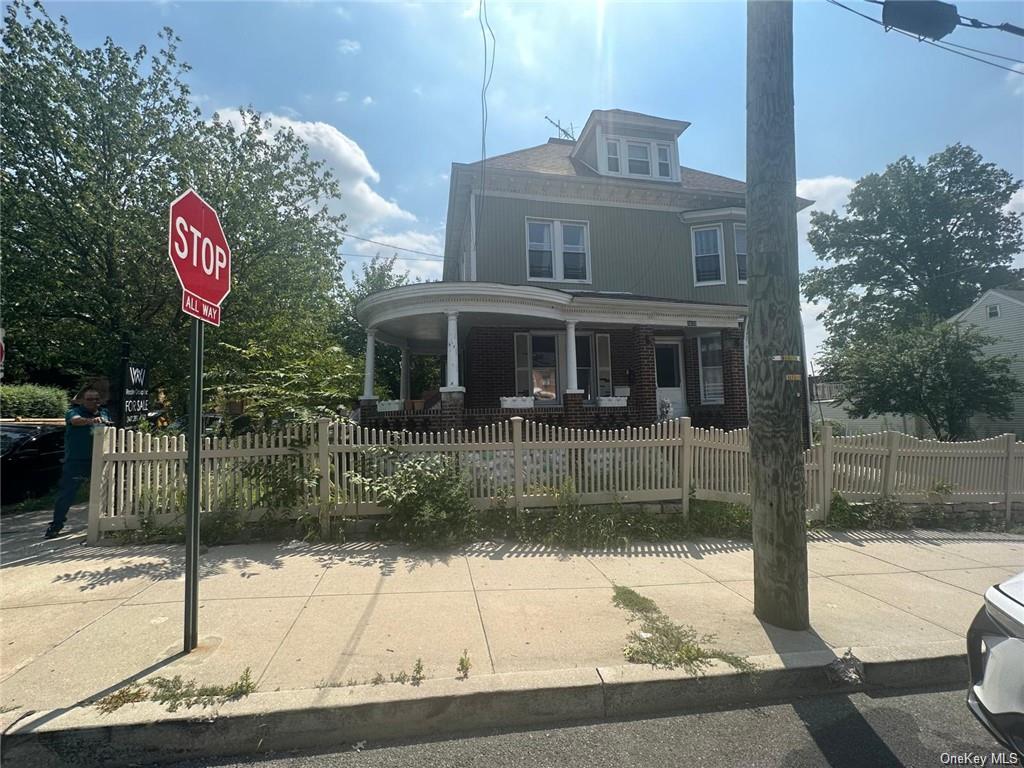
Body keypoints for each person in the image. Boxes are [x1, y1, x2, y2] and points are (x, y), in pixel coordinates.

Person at [45, 388, 109, 539]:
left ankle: (104, 523)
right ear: (82, 400)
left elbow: (108, 423)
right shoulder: (73, 412)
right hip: (76, 461)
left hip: (99, 459)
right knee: (67, 493)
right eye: (89, 399)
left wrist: (100, 419)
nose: (93, 402)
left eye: (96, 399)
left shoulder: (103, 412)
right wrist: (91, 421)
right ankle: (56, 525)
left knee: (104, 492)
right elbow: (75, 421)